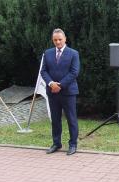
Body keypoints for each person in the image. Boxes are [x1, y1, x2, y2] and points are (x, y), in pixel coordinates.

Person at [41, 28, 80, 156]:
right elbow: (43, 71)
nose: (57, 42)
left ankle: (73, 144)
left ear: (65, 39)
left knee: (71, 119)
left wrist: (60, 85)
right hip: (52, 92)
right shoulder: (47, 53)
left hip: (68, 92)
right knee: (55, 119)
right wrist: (51, 83)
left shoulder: (73, 53)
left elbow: (74, 72)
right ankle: (56, 143)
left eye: (60, 39)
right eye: (55, 40)